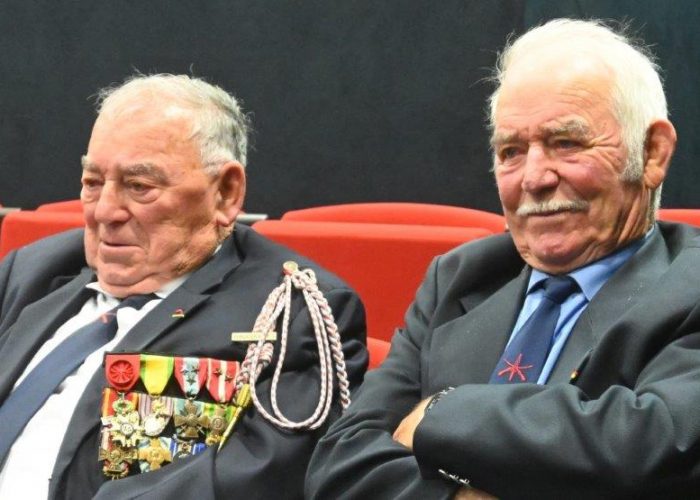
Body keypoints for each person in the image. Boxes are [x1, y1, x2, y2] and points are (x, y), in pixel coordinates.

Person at [306, 18, 700, 499]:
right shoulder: (460, 278)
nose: (533, 178)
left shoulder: (689, 286)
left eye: (566, 143)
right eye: (511, 151)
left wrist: (440, 411)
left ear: (652, 153)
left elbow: (656, 444)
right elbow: (340, 462)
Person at [0, 74, 367, 499]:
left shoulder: (292, 315)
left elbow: (251, 481)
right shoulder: (34, 272)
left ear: (225, 193)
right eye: (93, 183)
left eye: (139, 187)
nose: (104, 212)